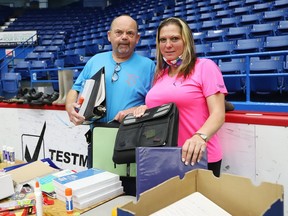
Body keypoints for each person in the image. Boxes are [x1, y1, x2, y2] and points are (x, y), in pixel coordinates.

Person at [133, 17, 227, 177]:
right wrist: (147, 109)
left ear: (186, 40)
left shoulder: (205, 67)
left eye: (174, 38)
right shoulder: (160, 74)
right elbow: (167, 108)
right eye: (163, 40)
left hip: (198, 157)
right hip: (163, 158)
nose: (168, 45)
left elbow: (218, 114)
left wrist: (200, 137)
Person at [65, 15, 155, 172]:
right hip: (97, 139)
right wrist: (69, 106)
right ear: (109, 36)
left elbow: (155, 104)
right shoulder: (95, 60)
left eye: (130, 33)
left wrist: (137, 110)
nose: (124, 37)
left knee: (130, 191)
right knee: (98, 189)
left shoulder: (149, 66)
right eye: (119, 32)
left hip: (131, 142)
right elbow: (76, 88)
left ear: (137, 38)